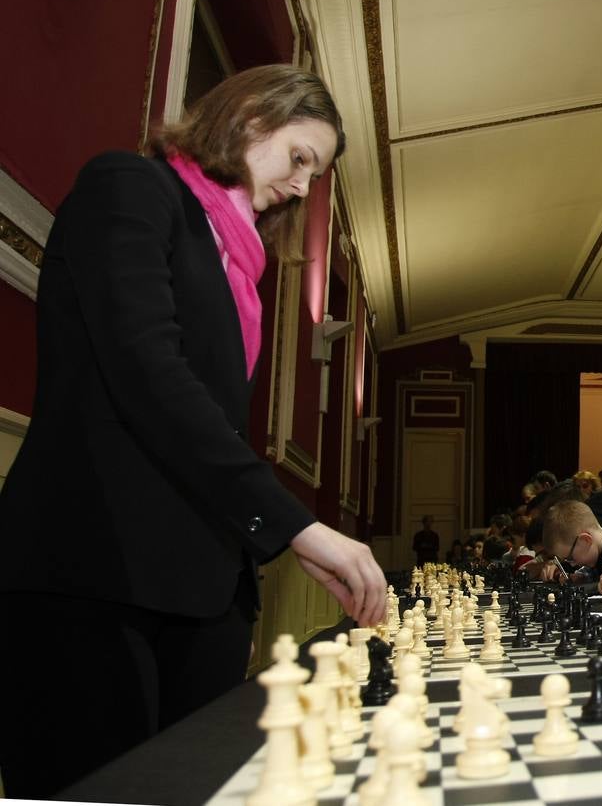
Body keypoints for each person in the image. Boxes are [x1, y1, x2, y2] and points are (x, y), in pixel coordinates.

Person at [0, 65, 385, 798]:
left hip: (201, 585)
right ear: (249, 119)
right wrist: (299, 529)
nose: (305, 187)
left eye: (317, 172)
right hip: (93, 569)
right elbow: (149, 375)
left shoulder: (239, 261)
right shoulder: (131, 190)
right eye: (300, 158)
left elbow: (214, 423)